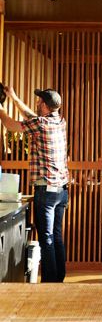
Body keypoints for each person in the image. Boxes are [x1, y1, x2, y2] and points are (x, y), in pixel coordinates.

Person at [0, 87, 68, 282]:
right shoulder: (59, 121)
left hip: (46, 191)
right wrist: (14, 98)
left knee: (46, 238)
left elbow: (10, 125)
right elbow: (31, 117)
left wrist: (0, 108)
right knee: (55, 236)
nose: (37, 104)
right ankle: (59, 279)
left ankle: (50, 283)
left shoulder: (40, 124)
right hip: (61, 191)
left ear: (45, 106)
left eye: (39, 102)